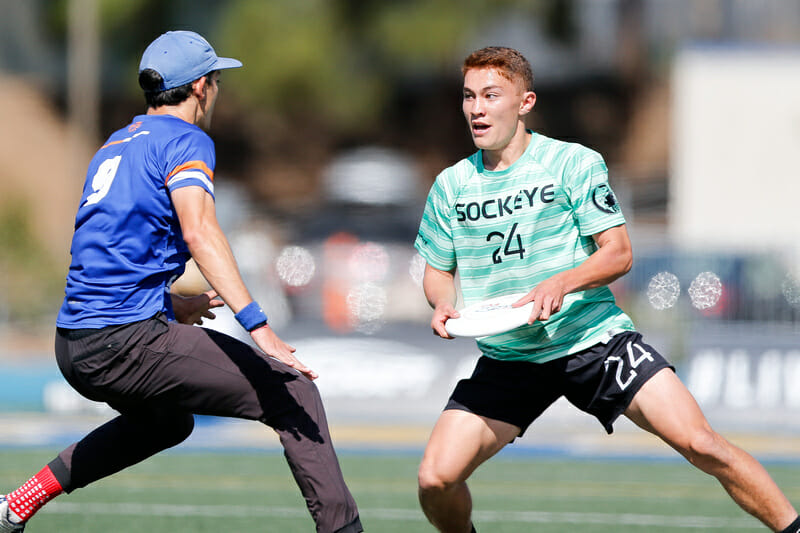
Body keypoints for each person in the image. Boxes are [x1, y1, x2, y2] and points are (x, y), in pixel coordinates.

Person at [414, 46, 799, 533]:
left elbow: (618, 253)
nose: (477, 109)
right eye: (469, 96)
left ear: (524, 101)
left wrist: (563, 281)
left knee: (701, 443)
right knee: (435, 478)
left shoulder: (572, 163)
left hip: (593, 340)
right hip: (509, 358)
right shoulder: (451, 185)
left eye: (491, 95)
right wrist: (443, 302)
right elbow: (436, 270)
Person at [0, 30, 362, 533]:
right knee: (294, 391)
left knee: (167, 421)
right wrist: (259, 327)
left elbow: (106, 253)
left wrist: (167, 305)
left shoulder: (113, 145)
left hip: (73, 344)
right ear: (200, 87)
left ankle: (17, 504)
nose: (216, 90)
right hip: (123, 341)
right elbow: (200, 230)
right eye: (215, 80)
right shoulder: (187, 140)